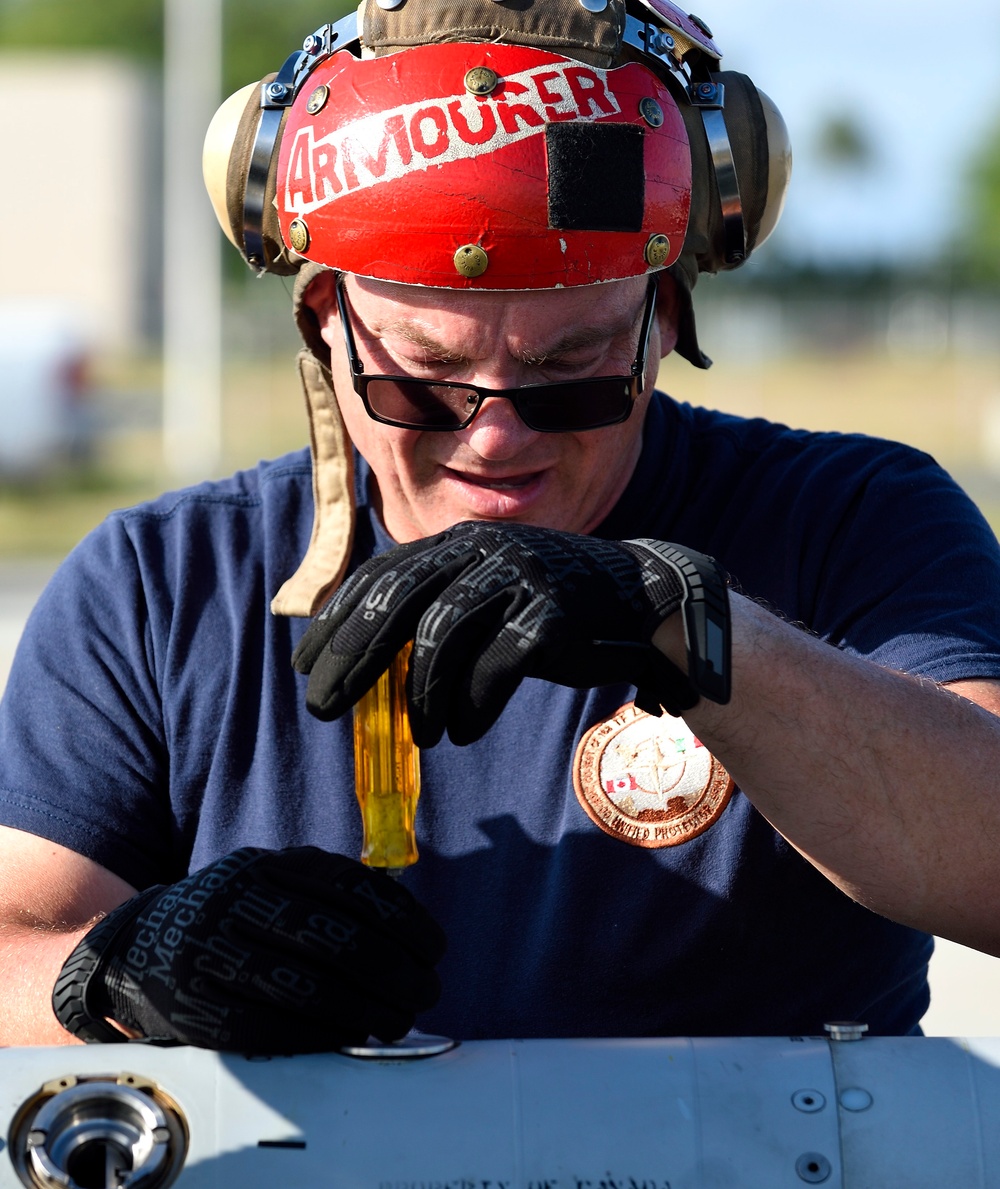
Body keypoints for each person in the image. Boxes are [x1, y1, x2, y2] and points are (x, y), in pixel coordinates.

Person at [2, 0, 1000, 1053]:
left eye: (568, 368)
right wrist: (117, 970)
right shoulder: (158, 584)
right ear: (321, 322)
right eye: (423, 376)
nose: (494, 436)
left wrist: (684, 623)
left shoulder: (845, 519)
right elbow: (14, 943)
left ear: (665, 321)